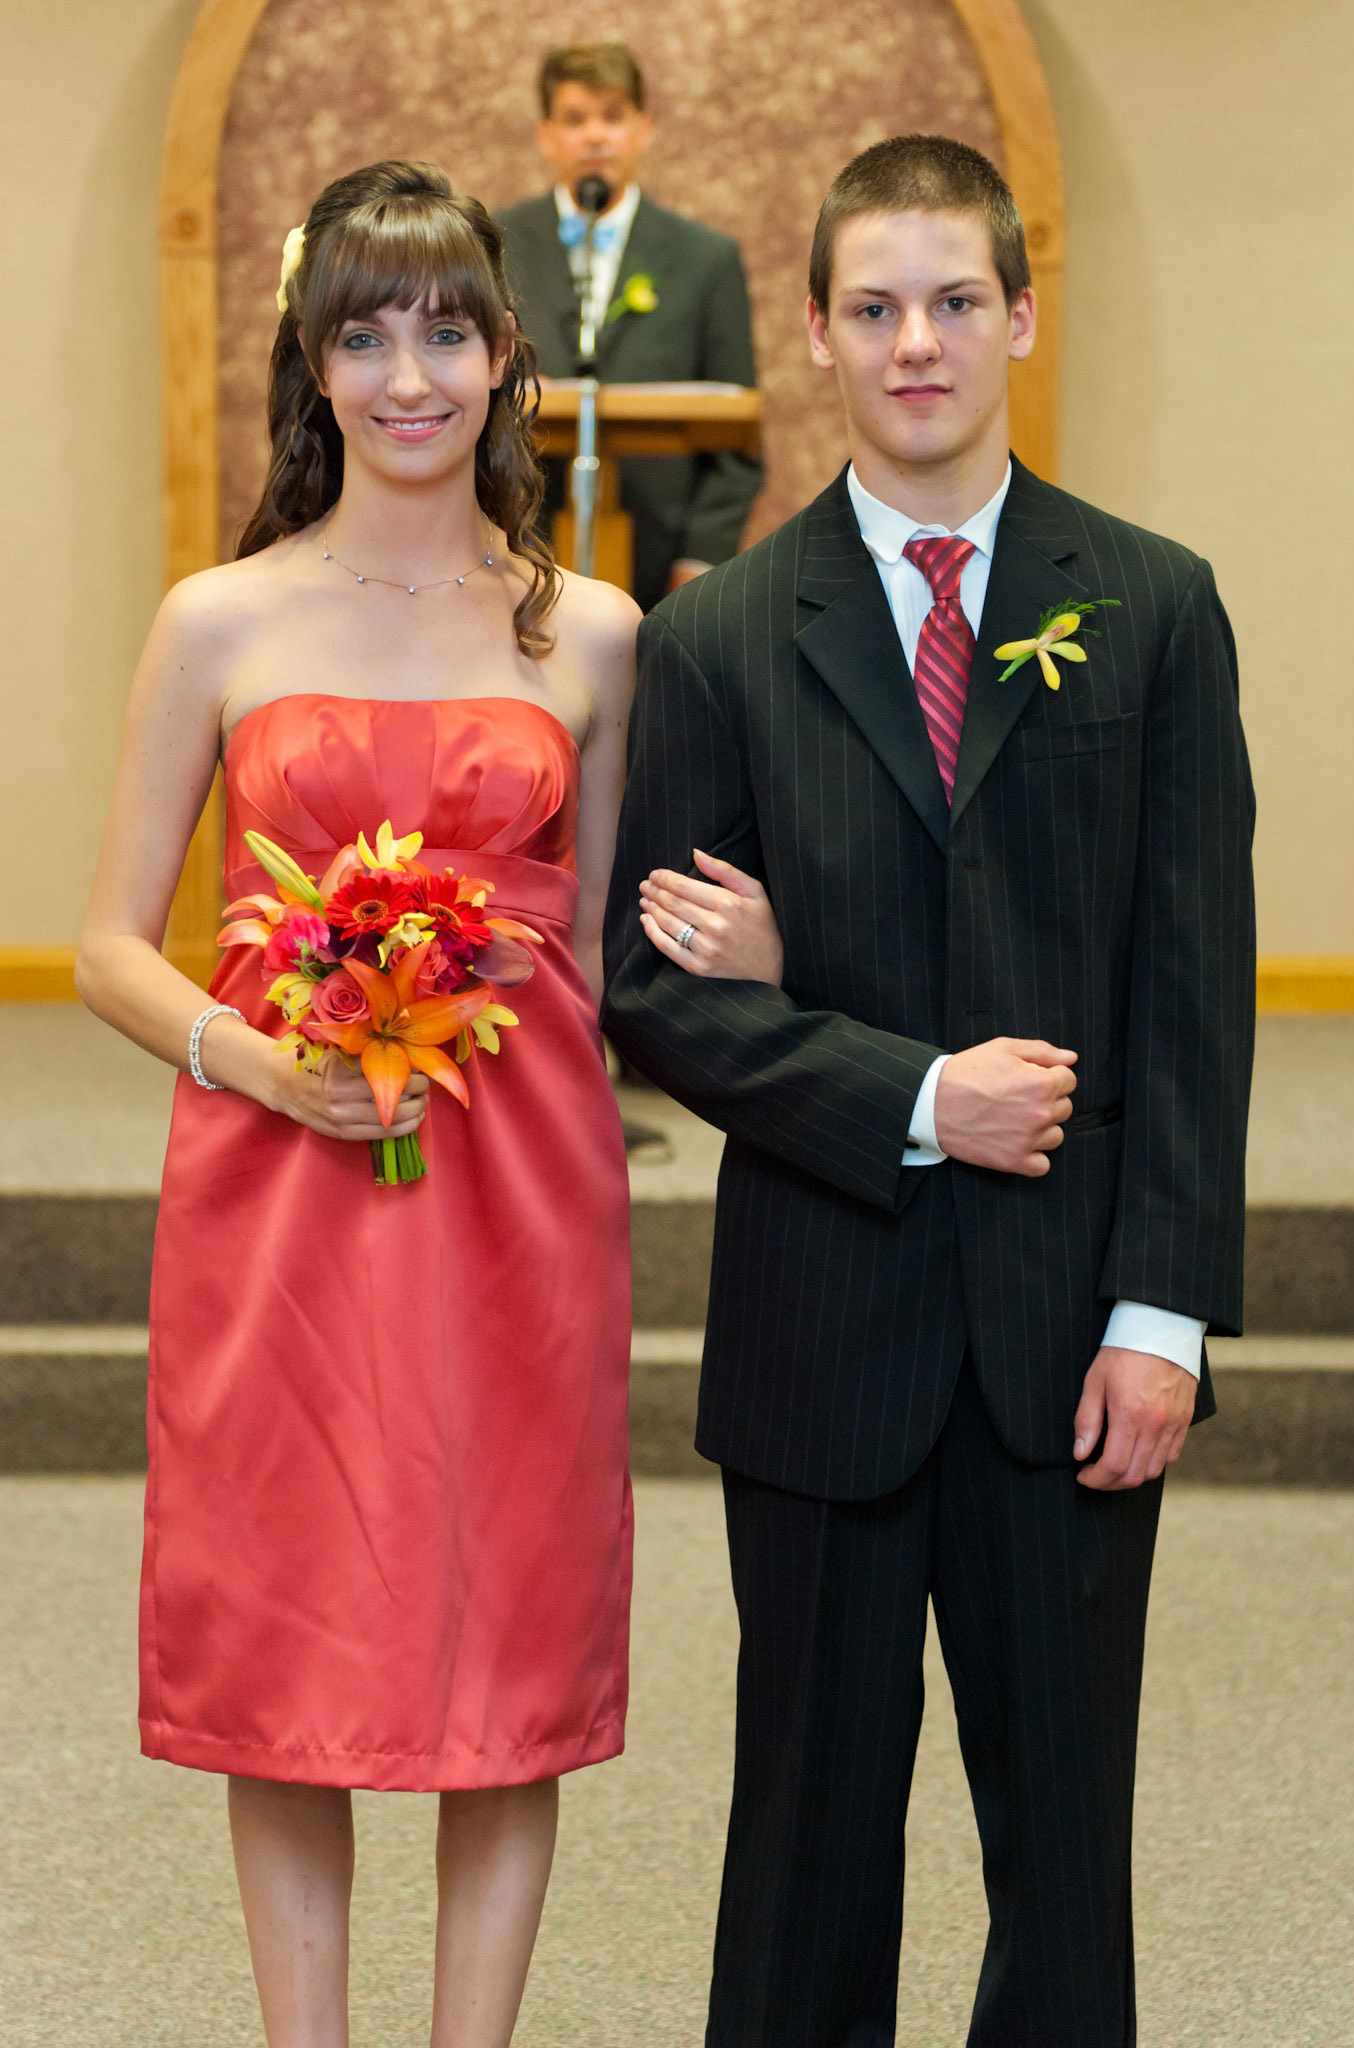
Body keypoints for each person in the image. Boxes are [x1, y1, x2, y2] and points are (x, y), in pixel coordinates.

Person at [604, 134, 1255, 2046]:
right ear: (814, 332)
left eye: (954, 299)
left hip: (1072, 1325)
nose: (916, 342)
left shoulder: (1152, 605)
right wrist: (913, 1092)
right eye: (874, 305)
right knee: (804, 1838)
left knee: (1060, 1838)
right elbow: (651, 992)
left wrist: (1162, 1313)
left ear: (1020, 316)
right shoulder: (717, 638)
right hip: (823, 1313)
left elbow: (1191, 986)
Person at [79, 158, 655, 2048]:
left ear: (504, 358)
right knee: (288, 1642)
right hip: (279, 1180)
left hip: (519, 1186)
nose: (410, 378)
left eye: (447, 333)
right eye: (365, 336)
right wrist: (261, 1063)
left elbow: (607, 962)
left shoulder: (590, 633)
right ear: (311, 366)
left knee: (511, 1639)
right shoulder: (217, 616)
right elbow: (107, 947)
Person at [496, 41, 762, 612]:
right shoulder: (496, 246)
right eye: (575, 119)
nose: (595, 136)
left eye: (612, 117)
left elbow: (738, 439)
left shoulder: (705, 259)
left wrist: (698, 566)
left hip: (662, 571)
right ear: (546, 136)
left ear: (644, 130)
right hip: (516, 559)